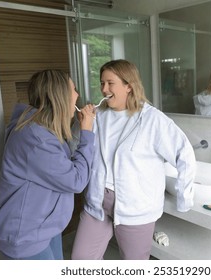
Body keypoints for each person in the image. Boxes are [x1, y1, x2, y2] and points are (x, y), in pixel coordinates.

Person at [71, 59, 196, 260]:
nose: (104, 89)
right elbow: (77, 146)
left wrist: (184, 197)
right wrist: (82, 124)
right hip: (96, 202)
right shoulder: (98, 115)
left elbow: (185, 154)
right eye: (102, 83)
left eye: (110, 83)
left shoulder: (153, 120)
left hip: (134, 208)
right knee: (81, 259)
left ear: (129, 85)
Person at [0, 69, 96, 260]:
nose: (78, 95)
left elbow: (59, 166)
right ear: (60, 96)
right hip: (25, 238)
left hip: (44, 227)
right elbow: (76, 181)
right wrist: (87, 132)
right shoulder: (36, 139)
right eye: (73, 89)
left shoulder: (41, 129)